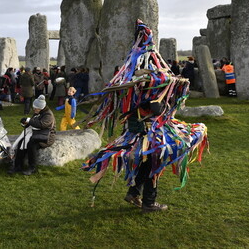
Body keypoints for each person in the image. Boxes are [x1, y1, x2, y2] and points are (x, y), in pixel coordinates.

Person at [82, 20, 208, 213]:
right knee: (153, 167)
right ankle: (149, 203)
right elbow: (155, 107)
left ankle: (133, 193)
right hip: (148, 135)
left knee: (146, 165)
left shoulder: (134, 76)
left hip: (142, 133)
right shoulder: (142, 85)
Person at [9, 95, 56, 175]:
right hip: (37, 134)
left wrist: (29, 121)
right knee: (22, 142)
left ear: (41, 107)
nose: (34, 109)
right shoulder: (37, 113)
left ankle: (32, 168)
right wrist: (24, 123)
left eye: (35, 108)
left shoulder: (48, 115)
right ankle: (18, 166)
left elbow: (41, 125)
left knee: (31, 144)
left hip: (47, 137)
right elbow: (32, 124)